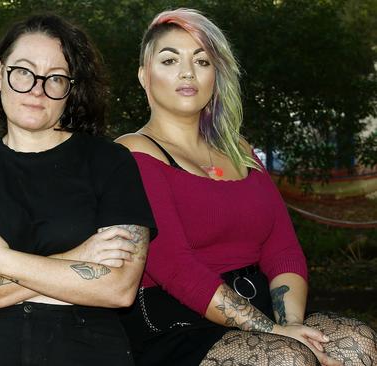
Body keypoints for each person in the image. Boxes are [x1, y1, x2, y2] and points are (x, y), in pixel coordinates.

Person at [116, 8, 377, 366]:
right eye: (169, 59)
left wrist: (292, 326)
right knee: (286, 358)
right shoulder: (132, 152)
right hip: (176, 322)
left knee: (357, 343)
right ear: (145, 76)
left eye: (203, 61)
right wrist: (273, 334)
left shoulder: (239, 149)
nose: (187, 72)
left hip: (259, 305)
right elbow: (174, 266)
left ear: (215, 75)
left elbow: (281, 246)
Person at [0, 14, 156, 366]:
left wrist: (2, 262)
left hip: (87, 353)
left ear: (70, 88)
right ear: (0, 74)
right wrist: (79, 259)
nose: (36, 88)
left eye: (55, 78)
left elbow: (118, 288)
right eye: (23, 72)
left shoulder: (112, 162)